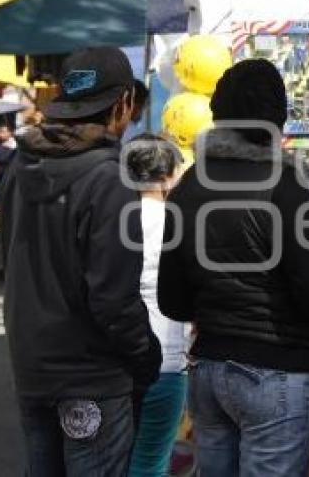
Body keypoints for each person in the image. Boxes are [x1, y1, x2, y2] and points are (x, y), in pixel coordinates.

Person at [158, 58, 309, 477]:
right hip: (276, 372)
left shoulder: (190, 186)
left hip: (209, 369)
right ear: (277, 122)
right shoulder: (284, 188)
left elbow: (172, 299)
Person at [0, 46, 162, 476]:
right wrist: (146, 354)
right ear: (124, 103)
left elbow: (10, 264)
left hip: (33, 366)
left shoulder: (20, 164)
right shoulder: (108, 178)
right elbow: (113, 298)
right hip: (91, 377)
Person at [124, 133, 188, 477]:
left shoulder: (113, 217)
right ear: (167, 175)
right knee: (150, 462)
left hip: (116, 359)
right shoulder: (178, 220)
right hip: (166, 358)